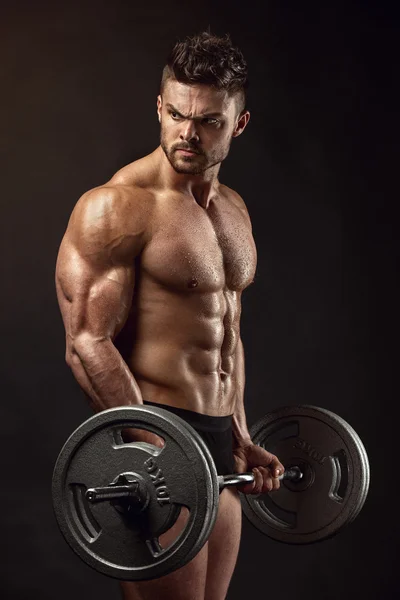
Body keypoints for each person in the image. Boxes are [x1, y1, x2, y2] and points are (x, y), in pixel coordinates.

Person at [55, 31, 284, 600]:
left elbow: (226, 334)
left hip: (216, 445)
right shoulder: (115, 206)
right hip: (158, 438)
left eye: (208, 120)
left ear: (239, 124)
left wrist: (239, 435)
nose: (188, 132)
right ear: (160, 106)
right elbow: (87, 343)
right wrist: (155, 450)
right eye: (177, 113)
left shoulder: (232, 210)